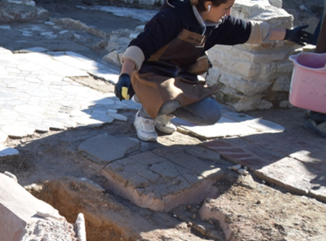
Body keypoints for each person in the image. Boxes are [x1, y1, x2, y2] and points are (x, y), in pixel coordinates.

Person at [115, 0, 313, 142]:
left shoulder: (219, 24)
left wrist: (288, 34)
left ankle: (160, 113)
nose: (228, 12)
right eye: (226, 7)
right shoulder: (172, 16)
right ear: (209, 4)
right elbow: (139, 46)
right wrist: (125, 75)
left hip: (180, 77)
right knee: (169, 97)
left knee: (210, 114)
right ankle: (145, 116)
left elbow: (254, 31)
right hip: (150, 74)